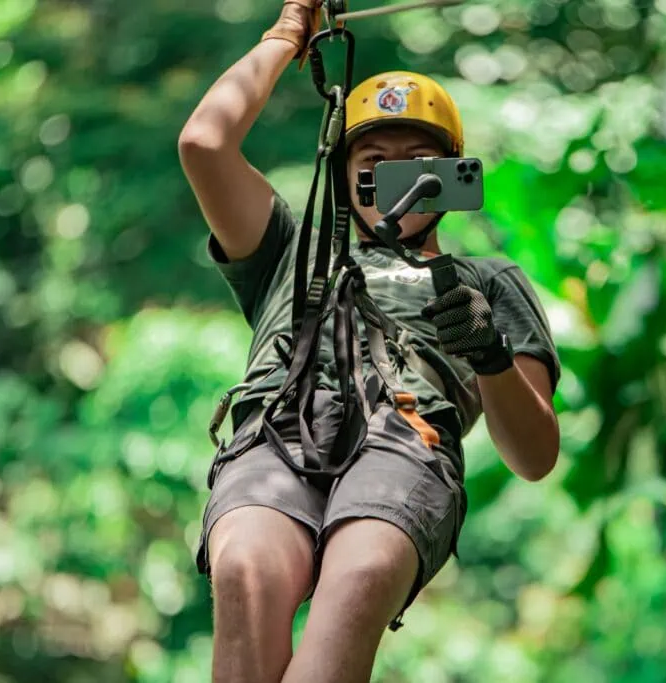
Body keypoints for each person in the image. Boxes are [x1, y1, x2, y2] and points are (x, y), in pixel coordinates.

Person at [177, 1, 560, 682]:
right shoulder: (288, 250)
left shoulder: (489, 281)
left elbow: (534, 454)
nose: (397, 178)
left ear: (452, 173)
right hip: (276, 432)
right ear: (343, 170)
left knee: (361, 575)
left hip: (407, 439)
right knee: (245, 567)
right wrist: (290, 29)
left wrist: (489, 354)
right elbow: (204, 143)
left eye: (419, 161)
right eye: (374, 160)